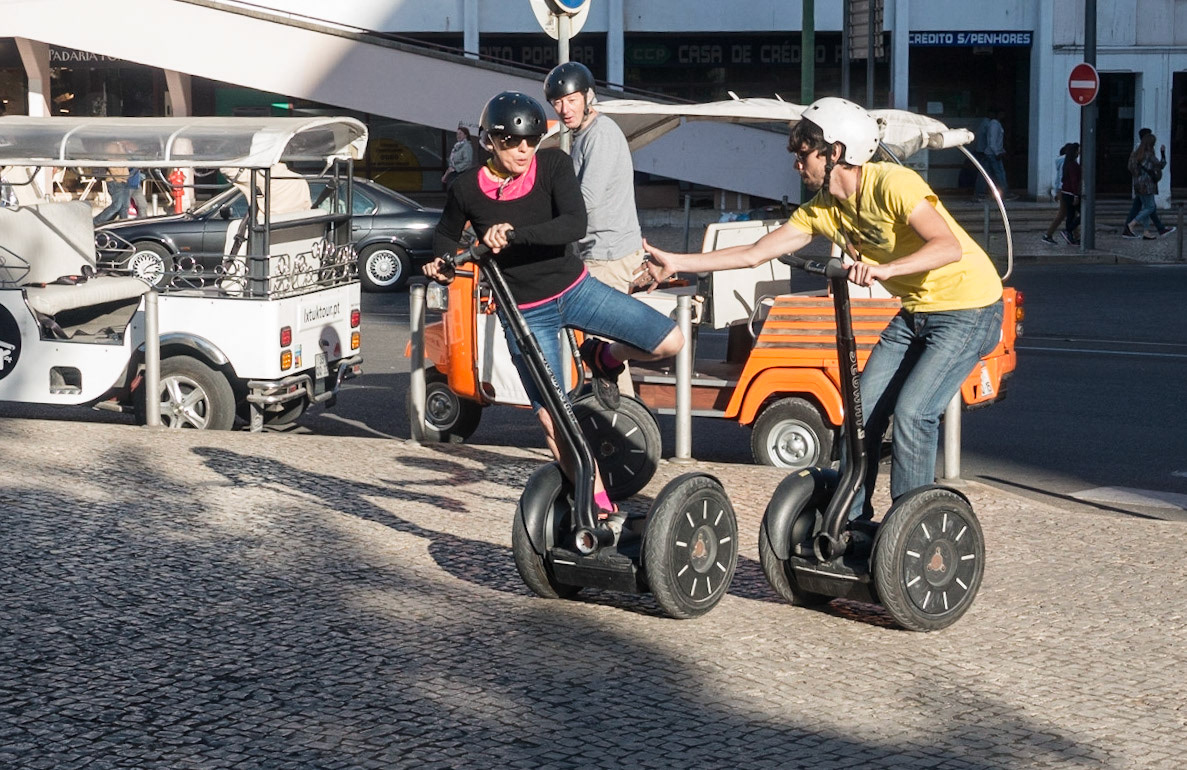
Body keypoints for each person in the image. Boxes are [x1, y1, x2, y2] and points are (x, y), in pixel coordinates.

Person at [642, 97, 1004, 521]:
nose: (798, 164)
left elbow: (947, 246)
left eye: (804, 154)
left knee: (912, 414)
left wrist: (885, 268)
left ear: (836, 152)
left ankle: (909, 529)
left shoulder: (893, 184)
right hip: (916, 311)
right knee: (860, 414)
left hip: (969, 307)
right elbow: (755, 253)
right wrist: (678, 261)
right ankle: (849, 523)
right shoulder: (825, 210)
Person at [424, 91, 684, 528]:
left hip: (577, 289)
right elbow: (445, 234)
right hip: (525, 312)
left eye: (531, 139)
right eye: (513, 143)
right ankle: (597, 501)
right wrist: (441, 263)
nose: (525, 150)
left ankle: (605, 356)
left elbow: (573, 224)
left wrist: (514, 235)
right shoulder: (467, 187)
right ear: (491, 141)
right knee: (552, 417)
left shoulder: (554, 166)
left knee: (670, 341)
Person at [544, 61, 645, 399]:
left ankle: (626, 426)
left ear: (588, 97)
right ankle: (616, 422)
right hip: (598, 252)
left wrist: (542, 225)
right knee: (603, 347)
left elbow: (585, 198)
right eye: (557, 102)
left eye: (571, 100)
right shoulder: (584, 134)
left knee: (605, 350)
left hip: (609, 254)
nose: (564, 108)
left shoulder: (600, 134)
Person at [1122, 129, 1174, 239]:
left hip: (1138, 184)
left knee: (1146, 207)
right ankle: (1131, 225)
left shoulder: (1137, 152)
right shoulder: (1149, 154)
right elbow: (1161, 165)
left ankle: (1146, 231)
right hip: (1147, 185)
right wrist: (1163, 153)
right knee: (1150, 207)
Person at [1043, 143, 1080, 245]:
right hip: (1064, 190)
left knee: (1070, 214)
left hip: (1061, 189)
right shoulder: (1067, 161)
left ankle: (1075, 236)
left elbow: (1059, 177)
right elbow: (1063, 177)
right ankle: (1049, 234)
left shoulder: (1062, 161)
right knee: (1063, 214)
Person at [974, 108, 1013, 201]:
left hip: (990, 153)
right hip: (993, 154)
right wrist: (997, 152)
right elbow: (992, 142)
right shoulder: (994, 124)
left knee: (985, 174)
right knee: (1000, 173)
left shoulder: (991, 124)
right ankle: (1005, 193)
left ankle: (979, 193)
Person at [93, 141, 133, 224]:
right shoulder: (112, 146)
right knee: (117, 205)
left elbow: (125, 160)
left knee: (124, 206)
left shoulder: (120, 146)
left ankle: (123, 223)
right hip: (115, 180)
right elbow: (111, 163)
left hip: (123, 179)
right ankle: (96, 221)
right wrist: (118, 178)